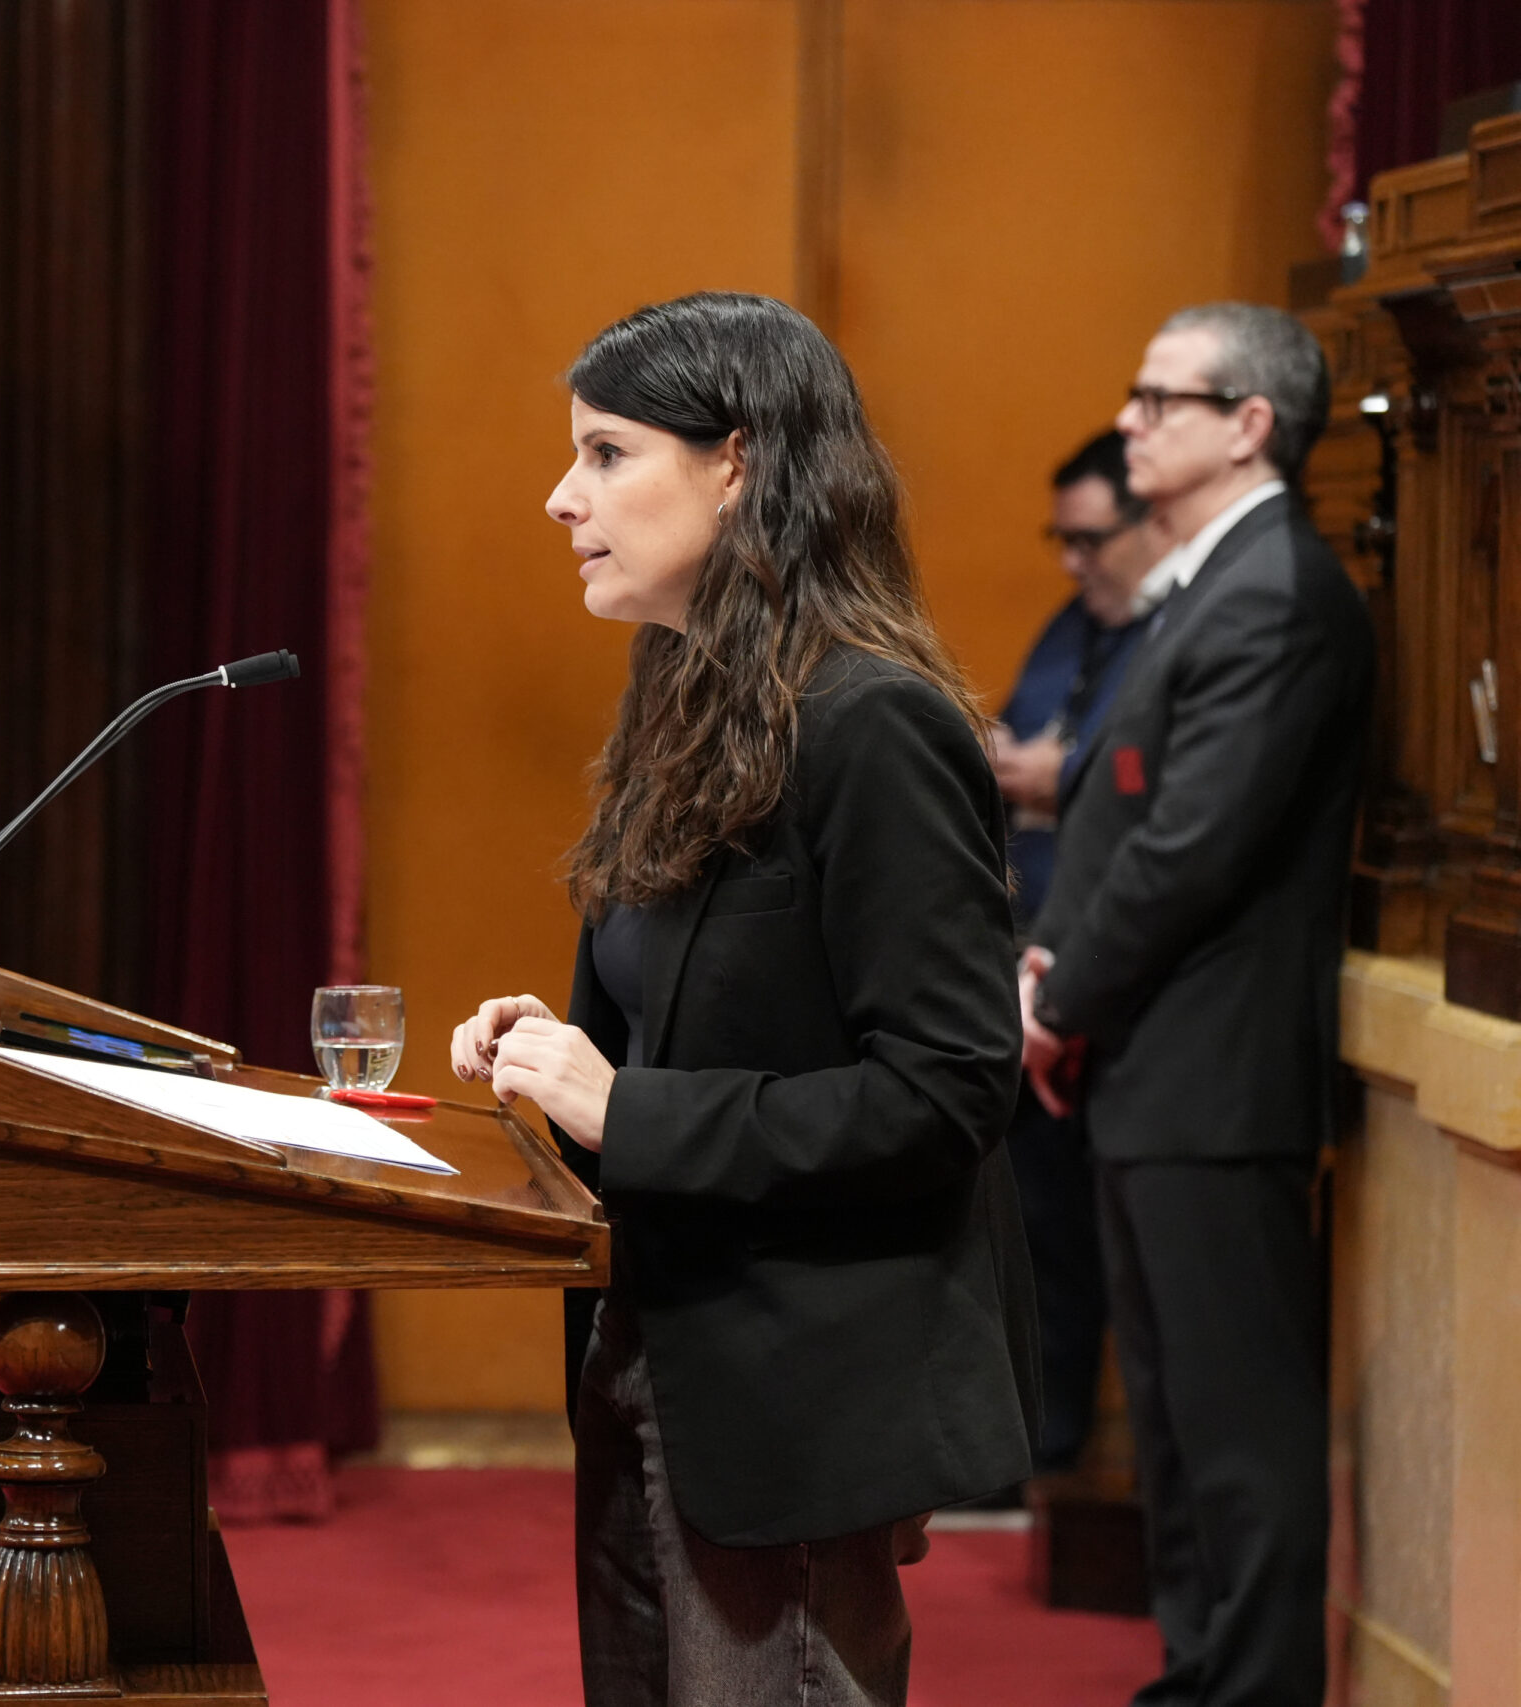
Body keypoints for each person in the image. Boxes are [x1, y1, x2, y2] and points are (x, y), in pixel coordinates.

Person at [448, 293, 1036, 1706]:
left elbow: (947, 1090)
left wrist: (630, 1106)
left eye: (606, 453)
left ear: (737, 463)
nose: (561, 496)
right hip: (658, 1340)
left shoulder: (874, 722)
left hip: (797, 1381)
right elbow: (702, 1022)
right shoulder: (685, 695)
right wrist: (564, 1056)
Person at [1021, 302, 1373, 1707]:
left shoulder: (1274, 588)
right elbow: (1132, 815)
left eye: (1160, 398)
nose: (1130, 419)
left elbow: (1191, 850)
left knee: (1235, 1427)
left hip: (1215, 1077)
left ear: (1248, 425)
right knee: (1172, 1421)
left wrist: (1058, 995)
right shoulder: (1214, 579)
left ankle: (1252, 1687)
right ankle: (1197, 1678)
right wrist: (1057, 966)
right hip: (1155, 1063)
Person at [991, 429, 1168, 1474]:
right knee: (1030, 1218)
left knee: (1098, 1241)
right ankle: (1026, 1440)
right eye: (1059, 539)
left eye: (1090, 539)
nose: (1072, 560)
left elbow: (1139, 791)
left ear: (1150, 525)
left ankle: (1064, 1446)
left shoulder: (1180, 628)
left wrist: (1052, 778)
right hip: (1025, 964)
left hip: (1121, 987)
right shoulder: (1075, 623)